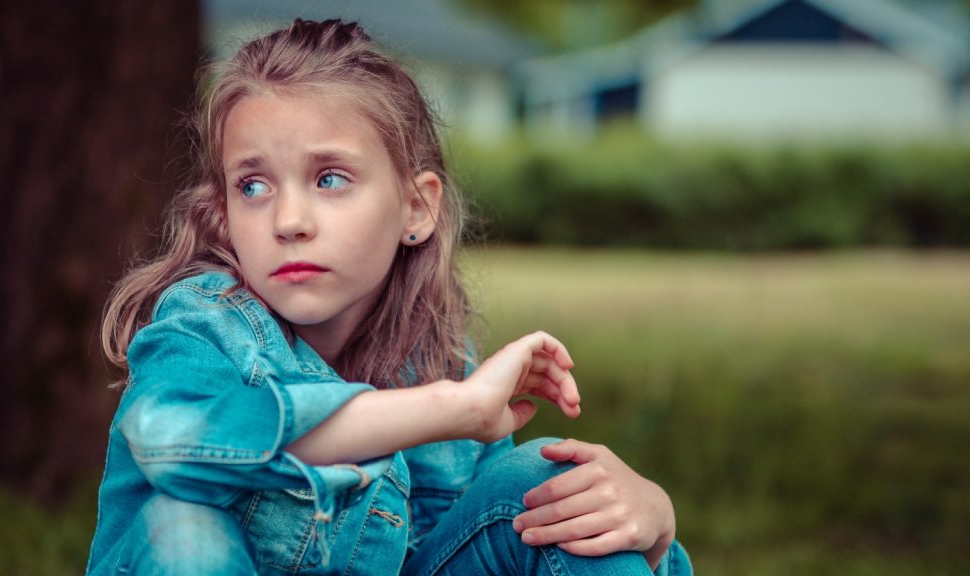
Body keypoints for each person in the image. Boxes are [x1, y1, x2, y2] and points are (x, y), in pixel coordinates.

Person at [86, 18, 691, 576]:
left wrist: (656, 522)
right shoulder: (202, 325)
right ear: (223, 218)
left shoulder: (437, 363)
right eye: (253, 185)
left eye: (329, 178)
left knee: (554, 489)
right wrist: (450, 408)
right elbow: (172, 443)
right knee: (181, 527)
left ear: (417, 207)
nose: (289, 219)